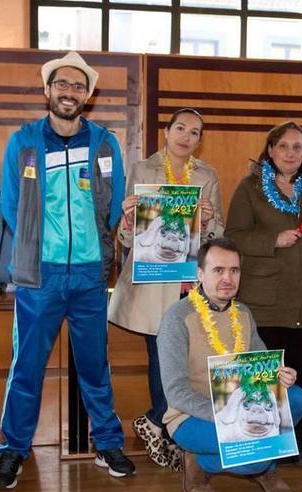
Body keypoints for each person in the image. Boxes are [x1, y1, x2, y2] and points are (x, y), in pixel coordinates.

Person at [0, 51, 133, 490]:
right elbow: (12, 207)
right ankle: (13, 449)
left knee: (94, 365)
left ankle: (107, 442)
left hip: (90, 276)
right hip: (40, 277)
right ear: (47, 90)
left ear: (87, 95)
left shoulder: (105, 143)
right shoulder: (24, 142)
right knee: (27, 366)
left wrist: (107, 237)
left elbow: (114, 204)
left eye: (77, 86)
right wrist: (39, 250)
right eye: (62, 84)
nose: (69, 92)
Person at [107, 108, 224, 469]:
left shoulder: (208, 175)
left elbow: (218, 236)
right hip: (152, 281)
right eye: (180, 128)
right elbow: (127, 237)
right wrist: (127, 218)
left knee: (187, 360)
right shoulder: (143, 169)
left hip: (190, 283)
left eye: (195, 132)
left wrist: (206, 221)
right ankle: (166, 426)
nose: (186, 137)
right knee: (161, 358)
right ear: (167, 131)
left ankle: (159, 424)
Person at [225, 122, 302, 466]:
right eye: (284, 147)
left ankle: (299, 445)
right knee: (264, 381)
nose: (291, 153)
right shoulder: (250, 188)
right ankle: (264, 447)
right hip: (265, 301)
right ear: (271, 150)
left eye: (298, 147)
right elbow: (232, 235)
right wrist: (272, 241)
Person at [158, 238, 302, 492]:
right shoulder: (177, 317)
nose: (227, 278)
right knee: (253, 458)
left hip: (245, 409)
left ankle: (259, 463)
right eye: (218, 270)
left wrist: (281, 377)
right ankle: (199, 463)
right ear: (200, 273)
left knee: (297, 398)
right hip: (192, 417)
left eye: (234, 271)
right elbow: (175, 391)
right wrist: (227, 416)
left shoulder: (244, 313)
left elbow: (262, 369)